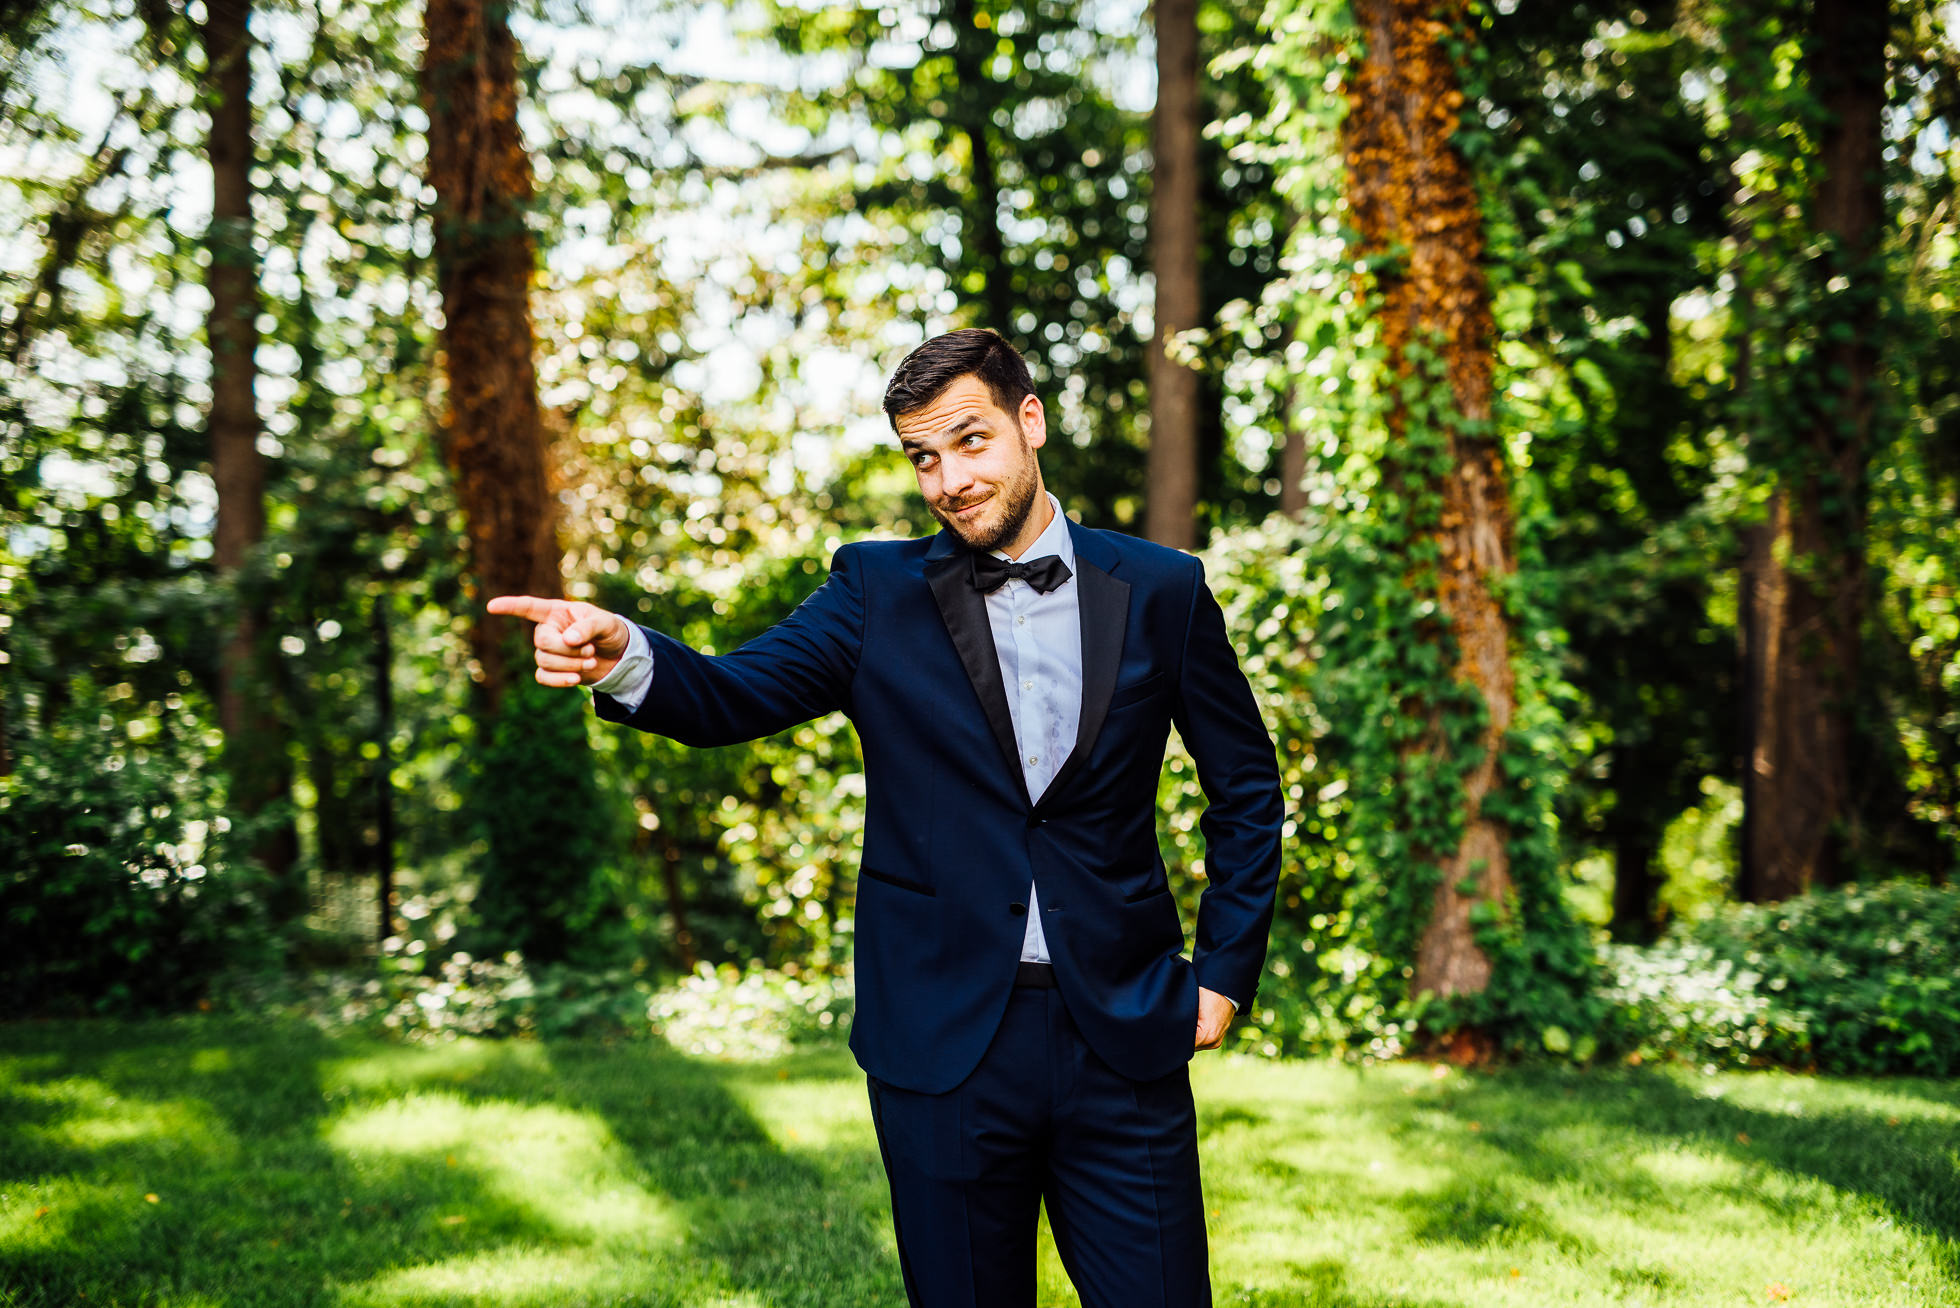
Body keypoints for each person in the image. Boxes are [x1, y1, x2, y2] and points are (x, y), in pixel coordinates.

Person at [490, 327, 1282, 1307]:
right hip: (942, 1042)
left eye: (970, 440)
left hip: (1121, 1031)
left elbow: (1244, 785)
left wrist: (1225, 977)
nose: (948, 478)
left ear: (1029, 423)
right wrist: (624, 655)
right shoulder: (873, 593)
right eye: (923, 456)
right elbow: (733, 696)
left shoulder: (1161, 589)